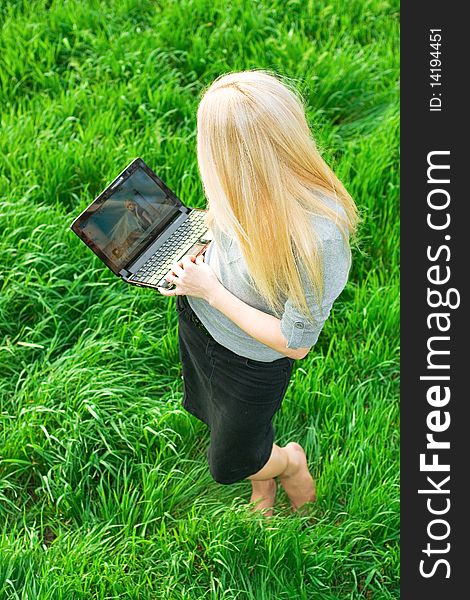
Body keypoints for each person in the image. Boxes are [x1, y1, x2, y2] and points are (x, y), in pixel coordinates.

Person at [157, 70, 359, 517]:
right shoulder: (240, 187)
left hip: (249, 357)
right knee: (213, 416)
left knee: (231, 461)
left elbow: (296, 342)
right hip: (200, 324)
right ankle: (263, 480)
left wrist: (209, 290)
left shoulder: (317, 238)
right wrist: (197, 246)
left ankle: (288, 464)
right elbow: (229, 232)